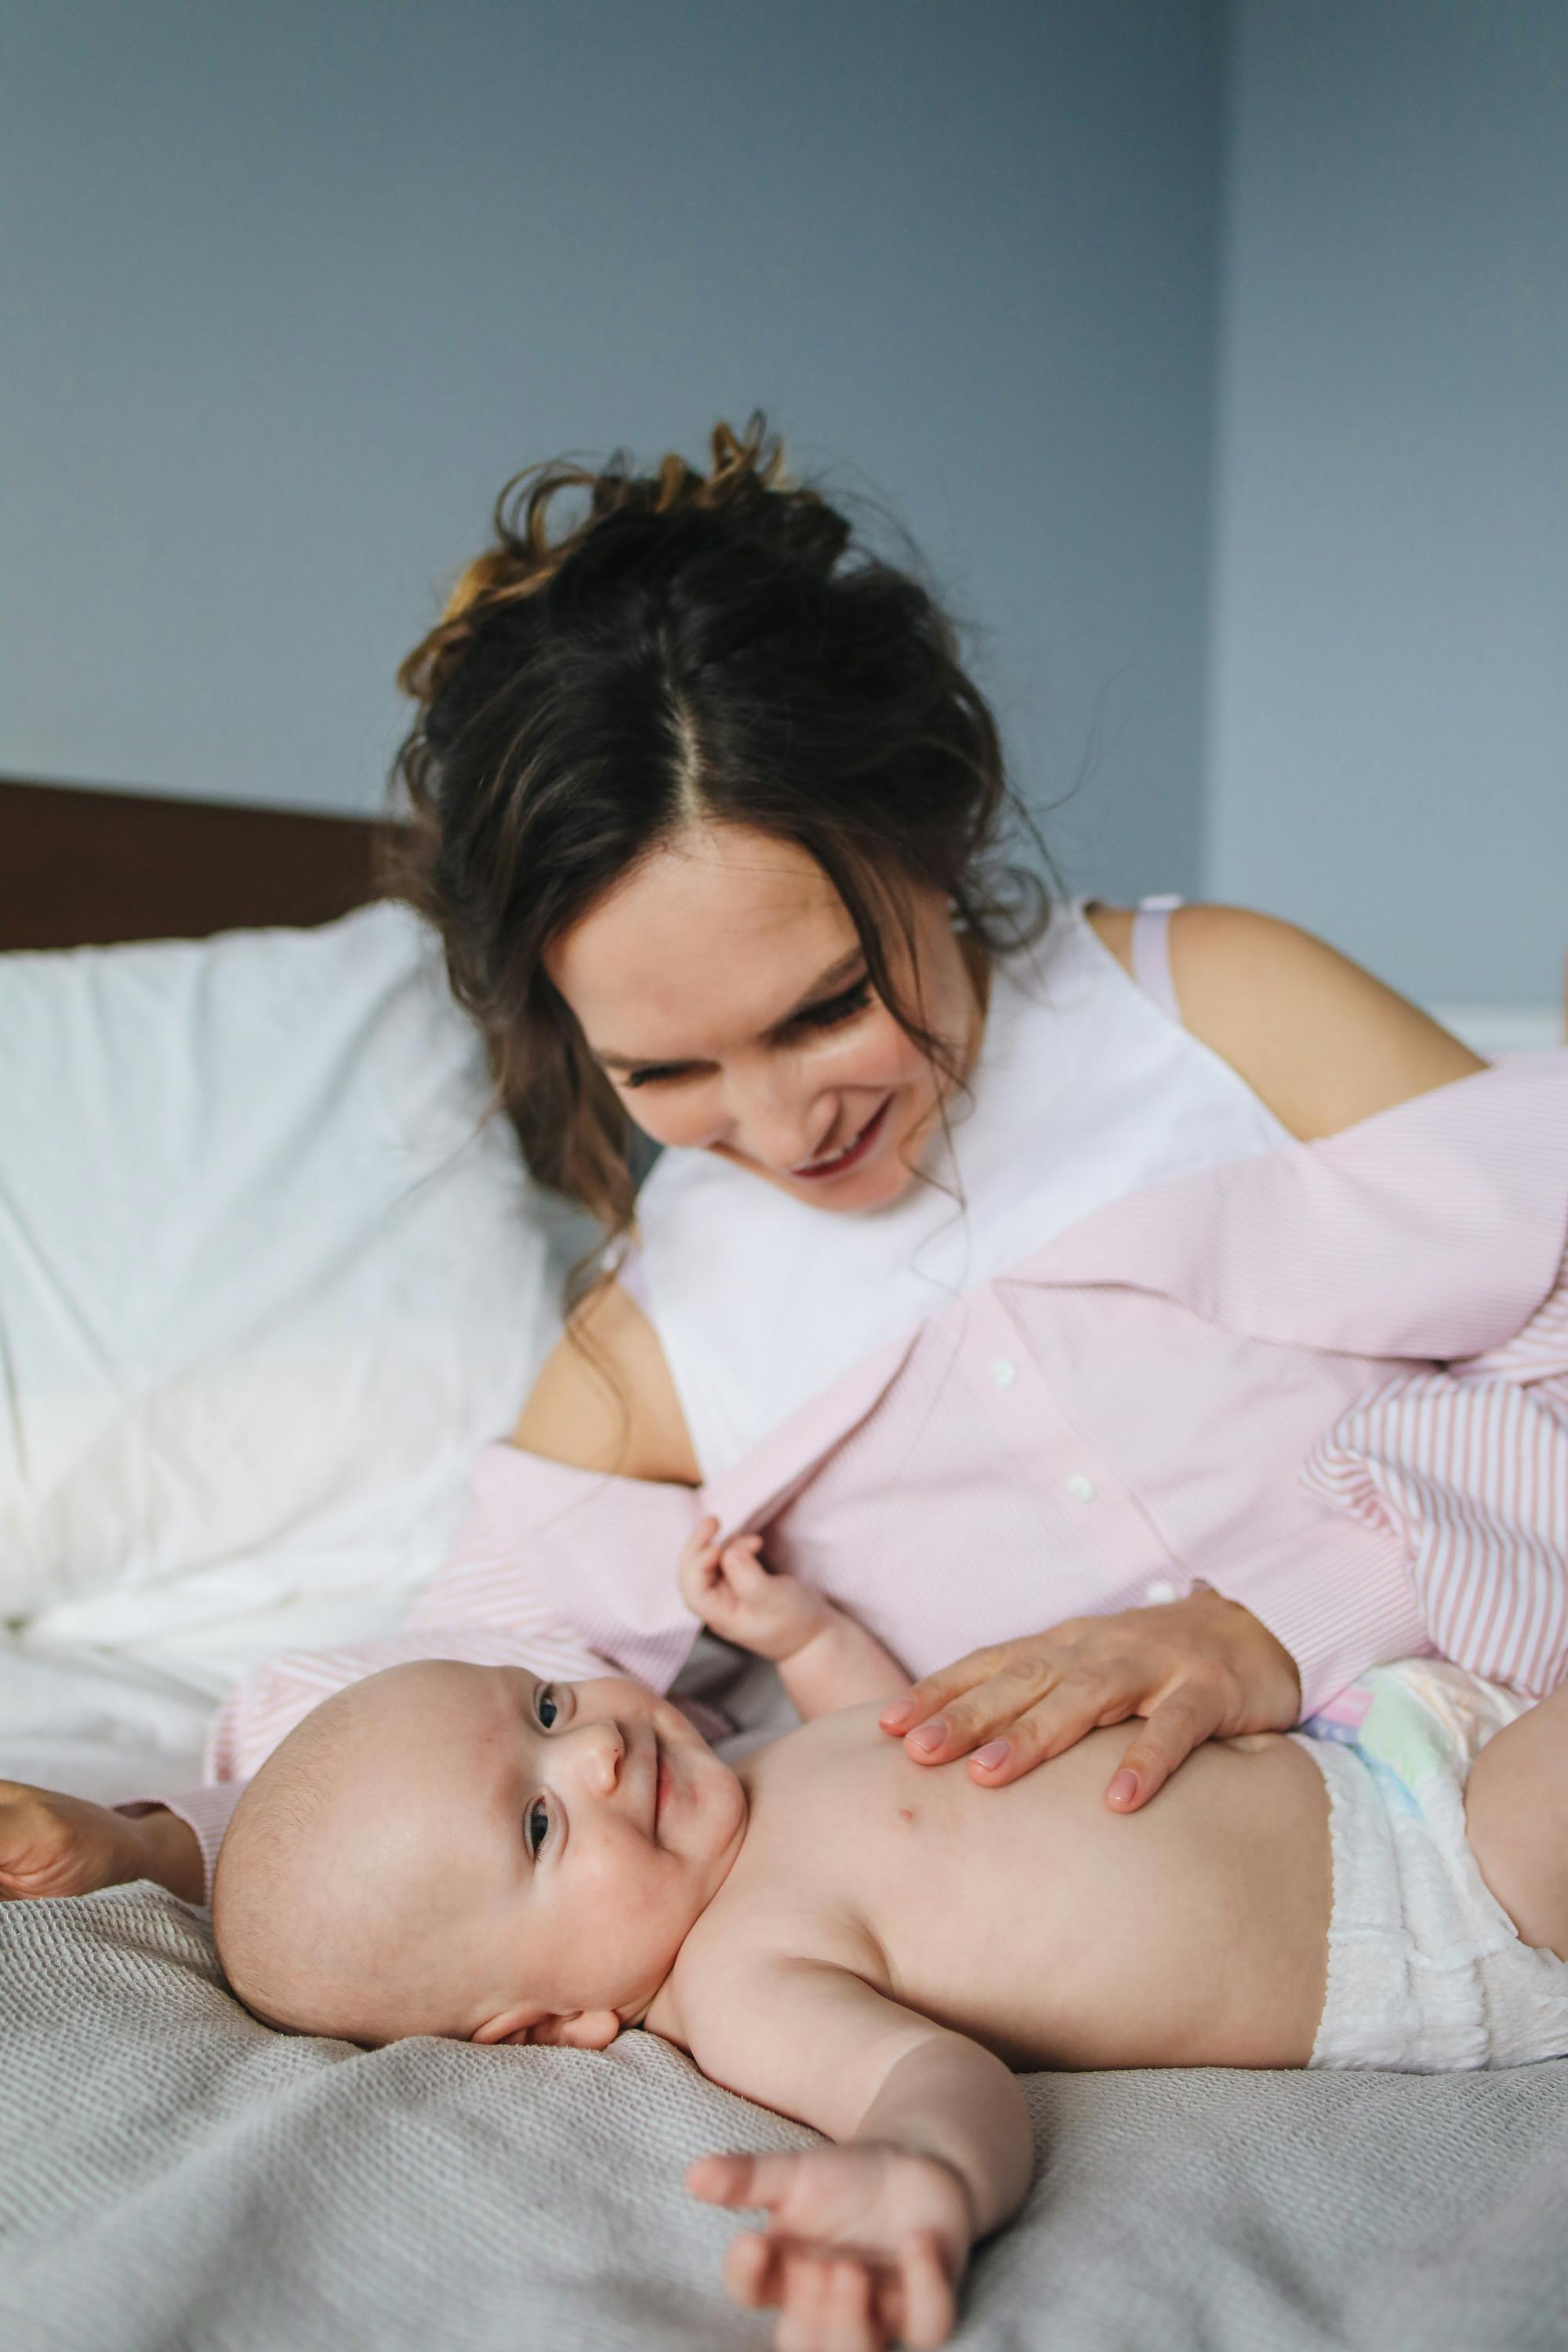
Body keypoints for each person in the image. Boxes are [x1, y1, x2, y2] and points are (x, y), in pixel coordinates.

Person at [5, 409, 1568, 1907]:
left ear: (931, 829)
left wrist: (1281, 1629)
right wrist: (170, 1846)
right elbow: (448, 1727)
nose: (777, 1126)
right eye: (663, 1072)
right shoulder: (665, 1331)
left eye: (826, 1008)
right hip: (1188, 1913)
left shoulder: (1209, 1006)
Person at [203, 1519, 1568, 2352]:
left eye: (548, 1710)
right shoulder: (743, 1980)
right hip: (1434, 1888)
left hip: (1373, 1727)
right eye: (540, 1828)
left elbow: (903, 1731)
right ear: (554, 2024)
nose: (603, 1755)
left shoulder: (747, 1781)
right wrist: (921, 2171)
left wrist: (807, 1637)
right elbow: (934, 2082)